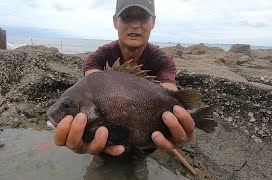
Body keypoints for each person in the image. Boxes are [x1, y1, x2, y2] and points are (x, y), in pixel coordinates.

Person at [54, 0, 195, 178]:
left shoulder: (163, 62)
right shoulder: (98, 57)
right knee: (99, 163)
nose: (135, 25)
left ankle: (139, 157)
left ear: (153, 22)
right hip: (106, 136)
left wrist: (179, 120)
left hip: (147, 138)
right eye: (127, 17)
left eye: (142, 17)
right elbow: (92, 88)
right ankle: (102, 156)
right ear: (115, 21)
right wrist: (84, 137)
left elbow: (169, 93)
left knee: (139, 164)